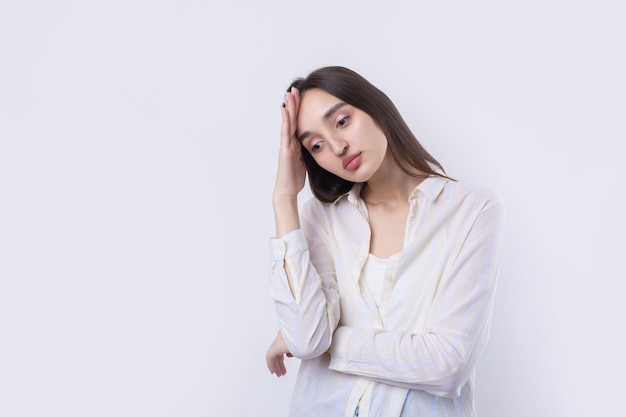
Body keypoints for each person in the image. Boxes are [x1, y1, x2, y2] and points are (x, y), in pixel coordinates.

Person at [265, 66, 504, 417]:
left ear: (374, 106)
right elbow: (305, 339)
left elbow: (447, 364)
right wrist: (284, 197)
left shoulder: (471, 210)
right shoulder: (322, 218)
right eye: (315, 145)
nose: (337, 146)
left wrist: (331, 343)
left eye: (342, 121)